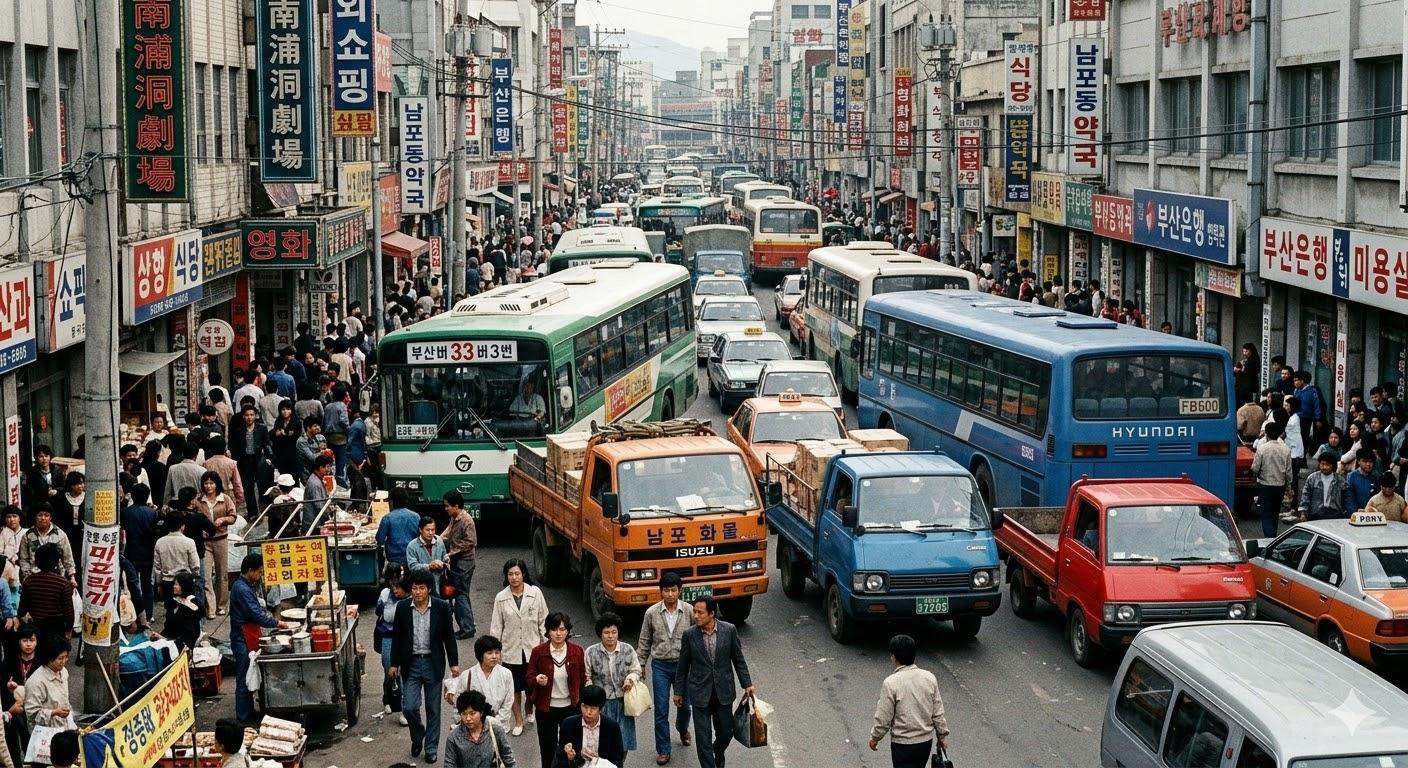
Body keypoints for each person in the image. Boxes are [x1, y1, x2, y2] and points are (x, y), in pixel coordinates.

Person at [673, 595, 753, 768]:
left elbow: (738, 659)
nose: (696, 616)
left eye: (700, 612)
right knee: (703, 739)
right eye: (694, 611)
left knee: (726, 731)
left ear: (712, 614)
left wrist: (747, 684)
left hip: (723, 691)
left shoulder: (729, 630)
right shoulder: (689, 635)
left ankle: (718, 751)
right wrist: (678, 691)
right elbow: (683, 665)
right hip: (700, 693)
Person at [390, 569, 460, 763]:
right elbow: (397, 637)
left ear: (429, 589)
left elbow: (449, 637)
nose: (418, 592)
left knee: (433, 709)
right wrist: (394, 663)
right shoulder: (403, 608)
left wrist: (454, 663)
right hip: (410, 663)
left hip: (432, 663)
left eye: (422, 588)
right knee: (410, 707)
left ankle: (431, 748)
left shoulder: (441, 608)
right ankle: (417, 735)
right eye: (414, 588)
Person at [868, 634, 950, 768]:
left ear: (894, 657)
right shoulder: (929, 678)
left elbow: (884, 717)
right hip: (925, 743)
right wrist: (942, 736)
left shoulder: (891, 683)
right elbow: (938, 713)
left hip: (902, 745)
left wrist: (875, 737)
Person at [489, 558, 549, 736]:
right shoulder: (501, 598)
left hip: (533, 650)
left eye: (517, 573)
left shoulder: (535, 593)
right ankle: (518, 720)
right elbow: (496, 627)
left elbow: (543, 622)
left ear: (523, 574)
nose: (514, 578)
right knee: (514, 688)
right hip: (510, 650)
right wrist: (495, 652)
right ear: (506, 576)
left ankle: (529, 708)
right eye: (510, 574)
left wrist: (547, 646)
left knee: (532, 688)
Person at [638, 572, 692, 765]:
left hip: (683, 667)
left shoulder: (689, 611)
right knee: (661, 709)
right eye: (666, 590)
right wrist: (641, 663)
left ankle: (682, 728)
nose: (670, 594)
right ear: (660, 591)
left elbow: (697, 638)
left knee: (685, 706)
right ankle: (664, 749)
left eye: (674, 590)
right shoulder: (651, 613)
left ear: (680, 591)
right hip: (660, 666)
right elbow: (645, 640)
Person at [230, 553, 290, 723]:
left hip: (249, 633)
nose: (261, 575)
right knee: (244, 677)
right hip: (242, 636)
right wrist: (277, 623)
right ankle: (243, 716)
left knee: (249, 673)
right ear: (250, 571)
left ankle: (248, 712)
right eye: (259, 572)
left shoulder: (247, 585)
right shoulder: (241, 588)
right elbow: (255, 614)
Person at [527, 612, 586, 768]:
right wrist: (537, 680)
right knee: (548, 749)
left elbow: (583, 679)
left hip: (570, 708)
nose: (558, 633)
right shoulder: (538, 652)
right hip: (546, 709)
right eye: (554, 629)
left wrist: (581, 703)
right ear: (548, 631)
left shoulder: (577, 651)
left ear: (567, 631)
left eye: (562, 629)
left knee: (572, 748)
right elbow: (529, 678)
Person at [585, 612, 642, 763]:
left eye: (613, 632)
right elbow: (587, 676)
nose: (610, 636)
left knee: (624, 740)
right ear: (600, 634)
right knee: (604, 741)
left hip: (624, 702)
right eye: (606, 632)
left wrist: (630, 679)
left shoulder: (628, 649)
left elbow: (636, 670)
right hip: (602, 705)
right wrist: (591, 693)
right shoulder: (591, 652)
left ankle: (619, 764)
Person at [196, 470, 239, 617]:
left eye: (211, 483)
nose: (208, 486)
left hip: (221, 539)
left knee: (222, 574)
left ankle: (222, 605)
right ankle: (211, 608)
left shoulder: (225, 499)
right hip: (205, 542)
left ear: (216, 484)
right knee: (206, 575)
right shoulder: (198, 500)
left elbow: (233, 516)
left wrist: (224, 520)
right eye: (206, 483)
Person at [554, 683, 626, 768]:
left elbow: (617, 760)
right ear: (580, 706)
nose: (588, 712)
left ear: (601, 709)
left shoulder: (612, 727)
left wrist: (597, 761)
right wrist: (570, 758)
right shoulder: (568, 724)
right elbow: (558, 760)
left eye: (593, 708)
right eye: (585, 707)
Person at [445, 635, 515, 720]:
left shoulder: (506, 674)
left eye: (497, 652)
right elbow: (459, 703)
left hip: (499, 725)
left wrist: (495, 721)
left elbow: (508, 702)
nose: (494, 656)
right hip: (472, 725)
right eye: (489, 653)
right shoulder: (467, 675)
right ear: (481, 655)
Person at [444, 689, 516, 768]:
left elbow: (508, 758)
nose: (468, 718)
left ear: (481, 712)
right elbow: (449, 764)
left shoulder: (496, 730)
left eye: (472, 713)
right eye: (464, 714)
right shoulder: (454, 737)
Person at [375, 566, 411, 722]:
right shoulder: (384, 595)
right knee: (389, 670)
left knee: (406, 673)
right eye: (392, 583)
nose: (394, 587)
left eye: (398, 583)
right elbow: (379, 612)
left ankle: (404, 709)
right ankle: (387, 698)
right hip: (388, 637)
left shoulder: (411, 598)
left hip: (406, 638)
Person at [442, 491, 478, 639]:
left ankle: (467, 628)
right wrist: (436, 539)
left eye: (447, 506)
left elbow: (471, 542)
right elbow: (448, 533)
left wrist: (450, 553)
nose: (446, 509)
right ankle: (466, 626)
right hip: (458, 561)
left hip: (465, 563)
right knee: (460, 595)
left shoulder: (466, 521)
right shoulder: (454, 518)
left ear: (456, 506)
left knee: (461, 595)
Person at [121, 484, 159, 621]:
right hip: (148, 552)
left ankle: (135, 612)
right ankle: (148, 613)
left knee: (133, 584)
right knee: (147, 584)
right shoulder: (153, 513)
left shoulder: (125, 512)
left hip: (131, 552)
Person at [18, 545, 71, 639]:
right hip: (57, 627)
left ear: (37, 561)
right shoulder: (63, 583)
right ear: (56, 561)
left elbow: (22, 609)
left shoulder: (29, 581)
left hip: (36, 626)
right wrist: (68, 629)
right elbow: (68, 611)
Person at [1251, 422, 1294, 538]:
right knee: (1275, 513)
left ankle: (1269, 538)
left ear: (1267, 434)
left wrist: (1257, 476)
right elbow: (1289, 471)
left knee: (1266, 514)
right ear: (1280, 434)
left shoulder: (1262, 448)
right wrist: (1289, 485)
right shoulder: (1286, 449)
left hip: (1265, 484)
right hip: (1280, 485)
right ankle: (1274, 536)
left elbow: (1255, 467)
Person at [228, 404, 271, 518]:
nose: (249, 417)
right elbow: (234, 446)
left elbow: (267, 443)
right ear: (243, 416)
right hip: (245, 460)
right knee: (248, 487)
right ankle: (252, 513)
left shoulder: (261, 428)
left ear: (255, 416)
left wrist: (269, 458)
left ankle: (264, 510)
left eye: (252, 415)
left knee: (262, 485)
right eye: (247, 415)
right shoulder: (239, 431)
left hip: (258, 459)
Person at [16, 505, 74, 582]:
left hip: (57, 576)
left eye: (46, 515)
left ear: (50, 517)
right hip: (34, 577)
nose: (43, 518)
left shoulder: (60, 535)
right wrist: (27, 577)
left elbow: (68, 558)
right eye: (40, 515)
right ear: (35, 517)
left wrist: (72, 577)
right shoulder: (28, 535)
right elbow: (24, 559)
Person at [24, 636, 71, 728]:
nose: (64, 661)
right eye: (60, 658)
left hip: (64, 725)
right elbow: (32, 714)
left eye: (66, 657)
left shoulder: (64, 672)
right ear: (49, 658)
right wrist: (54, 712)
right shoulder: (36, 682)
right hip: (45, 731)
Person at [1299, 448, 1350, 521]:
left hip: (1335, 515)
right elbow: (1306, 495)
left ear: (1332, 465)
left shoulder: (1340, 480)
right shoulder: (1312, 478)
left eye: (1327, 465)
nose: (1324, 467)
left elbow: (1346, 498)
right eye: (1322, 464)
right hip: (1316, 514)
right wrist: (1303, 512)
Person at [377, 488, 422, 566]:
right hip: (413, 557)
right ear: (406, 500)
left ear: (391, 501)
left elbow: (379, 540)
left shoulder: (387, 518)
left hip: (394, 559)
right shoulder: (416, 516)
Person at [405, 516, 449, 594]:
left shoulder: (439, 541)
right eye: (427, 530)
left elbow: (445, 556)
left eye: (433, 530)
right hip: (422, 586)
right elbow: (413, 567)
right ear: (420, 530)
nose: (430, 533)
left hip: (439, 583)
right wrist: (429, 566)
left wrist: (445, 563)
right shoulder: (412, 546)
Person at [163, 573, 203, 651]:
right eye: (174, 584)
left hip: (181, 644)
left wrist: (165, 640)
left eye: (177, 585)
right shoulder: (174, 602)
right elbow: (168, 626)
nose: (174, 587)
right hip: (170, 639)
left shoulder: (192, 605)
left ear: (184, 586)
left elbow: (189, 635)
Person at [23, 445, 58, 510]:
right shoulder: (31, 473)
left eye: (46, 456)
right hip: (39, 506)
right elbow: (30, 493)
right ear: (36, 458)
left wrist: (56, 491)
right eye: (41, 456)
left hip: (56, 505)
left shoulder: (57, 471)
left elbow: (63, 487)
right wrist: (45, 494)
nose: (44, 459)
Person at [1346, 448, 1381, 514]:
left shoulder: (1377, 477)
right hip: (1356, 513)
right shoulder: (1351, 477)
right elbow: (1349, 498)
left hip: (1373, 514)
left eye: (1370, 461)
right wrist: (1355, 511)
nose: (1368, 464)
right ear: (1358, 461)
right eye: (1365, 461)